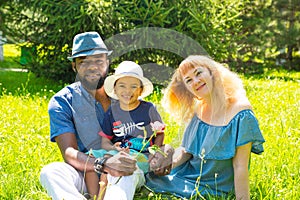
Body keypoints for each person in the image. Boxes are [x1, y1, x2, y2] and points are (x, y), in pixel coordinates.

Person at [39, 31, 143, 200]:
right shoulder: (62, 102)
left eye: (98, 61)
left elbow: (145, 133)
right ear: (74, 66)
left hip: (124, 169)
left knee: (124, 172)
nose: (92, 67)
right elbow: (69, 152)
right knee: (50, 172)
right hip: (86, 170)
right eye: (83, 62)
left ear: (107, 63)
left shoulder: (126, 92)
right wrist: (103, 163)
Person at [145, 55, 265, 199]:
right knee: (144, 176)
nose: (196, 82)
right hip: (188, 175)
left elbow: (240, 165)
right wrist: (169, 164)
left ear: (212, 72)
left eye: (198, 73)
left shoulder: (241, 112)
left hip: (216, 187)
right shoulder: (199, 108)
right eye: (188, 80)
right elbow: (186, 150)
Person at [85, 61, 166, 199]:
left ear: (140, 90)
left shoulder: (148, 109)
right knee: (97, 157)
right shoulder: (112, 112)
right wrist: (114, 149)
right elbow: (105, 141)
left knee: (127, 166)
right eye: (122, 86)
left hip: (140, 154)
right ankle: (99, 195)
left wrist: (155, 152)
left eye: (133, 87)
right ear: (115, 90)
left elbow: (160, 133)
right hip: (117, 151)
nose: (127, 91)